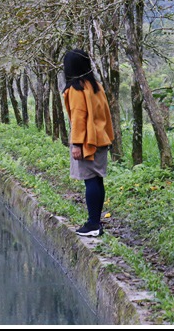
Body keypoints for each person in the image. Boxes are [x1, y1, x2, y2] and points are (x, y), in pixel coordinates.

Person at [62, 49, 114, 237]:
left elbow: (78, 117)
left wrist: (76, 143)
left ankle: (93, 224)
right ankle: (95, 222)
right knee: (97, 180)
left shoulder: (76, 89)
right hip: (101, 138)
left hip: (87, 141)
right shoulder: (96, 86)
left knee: (90, 180)